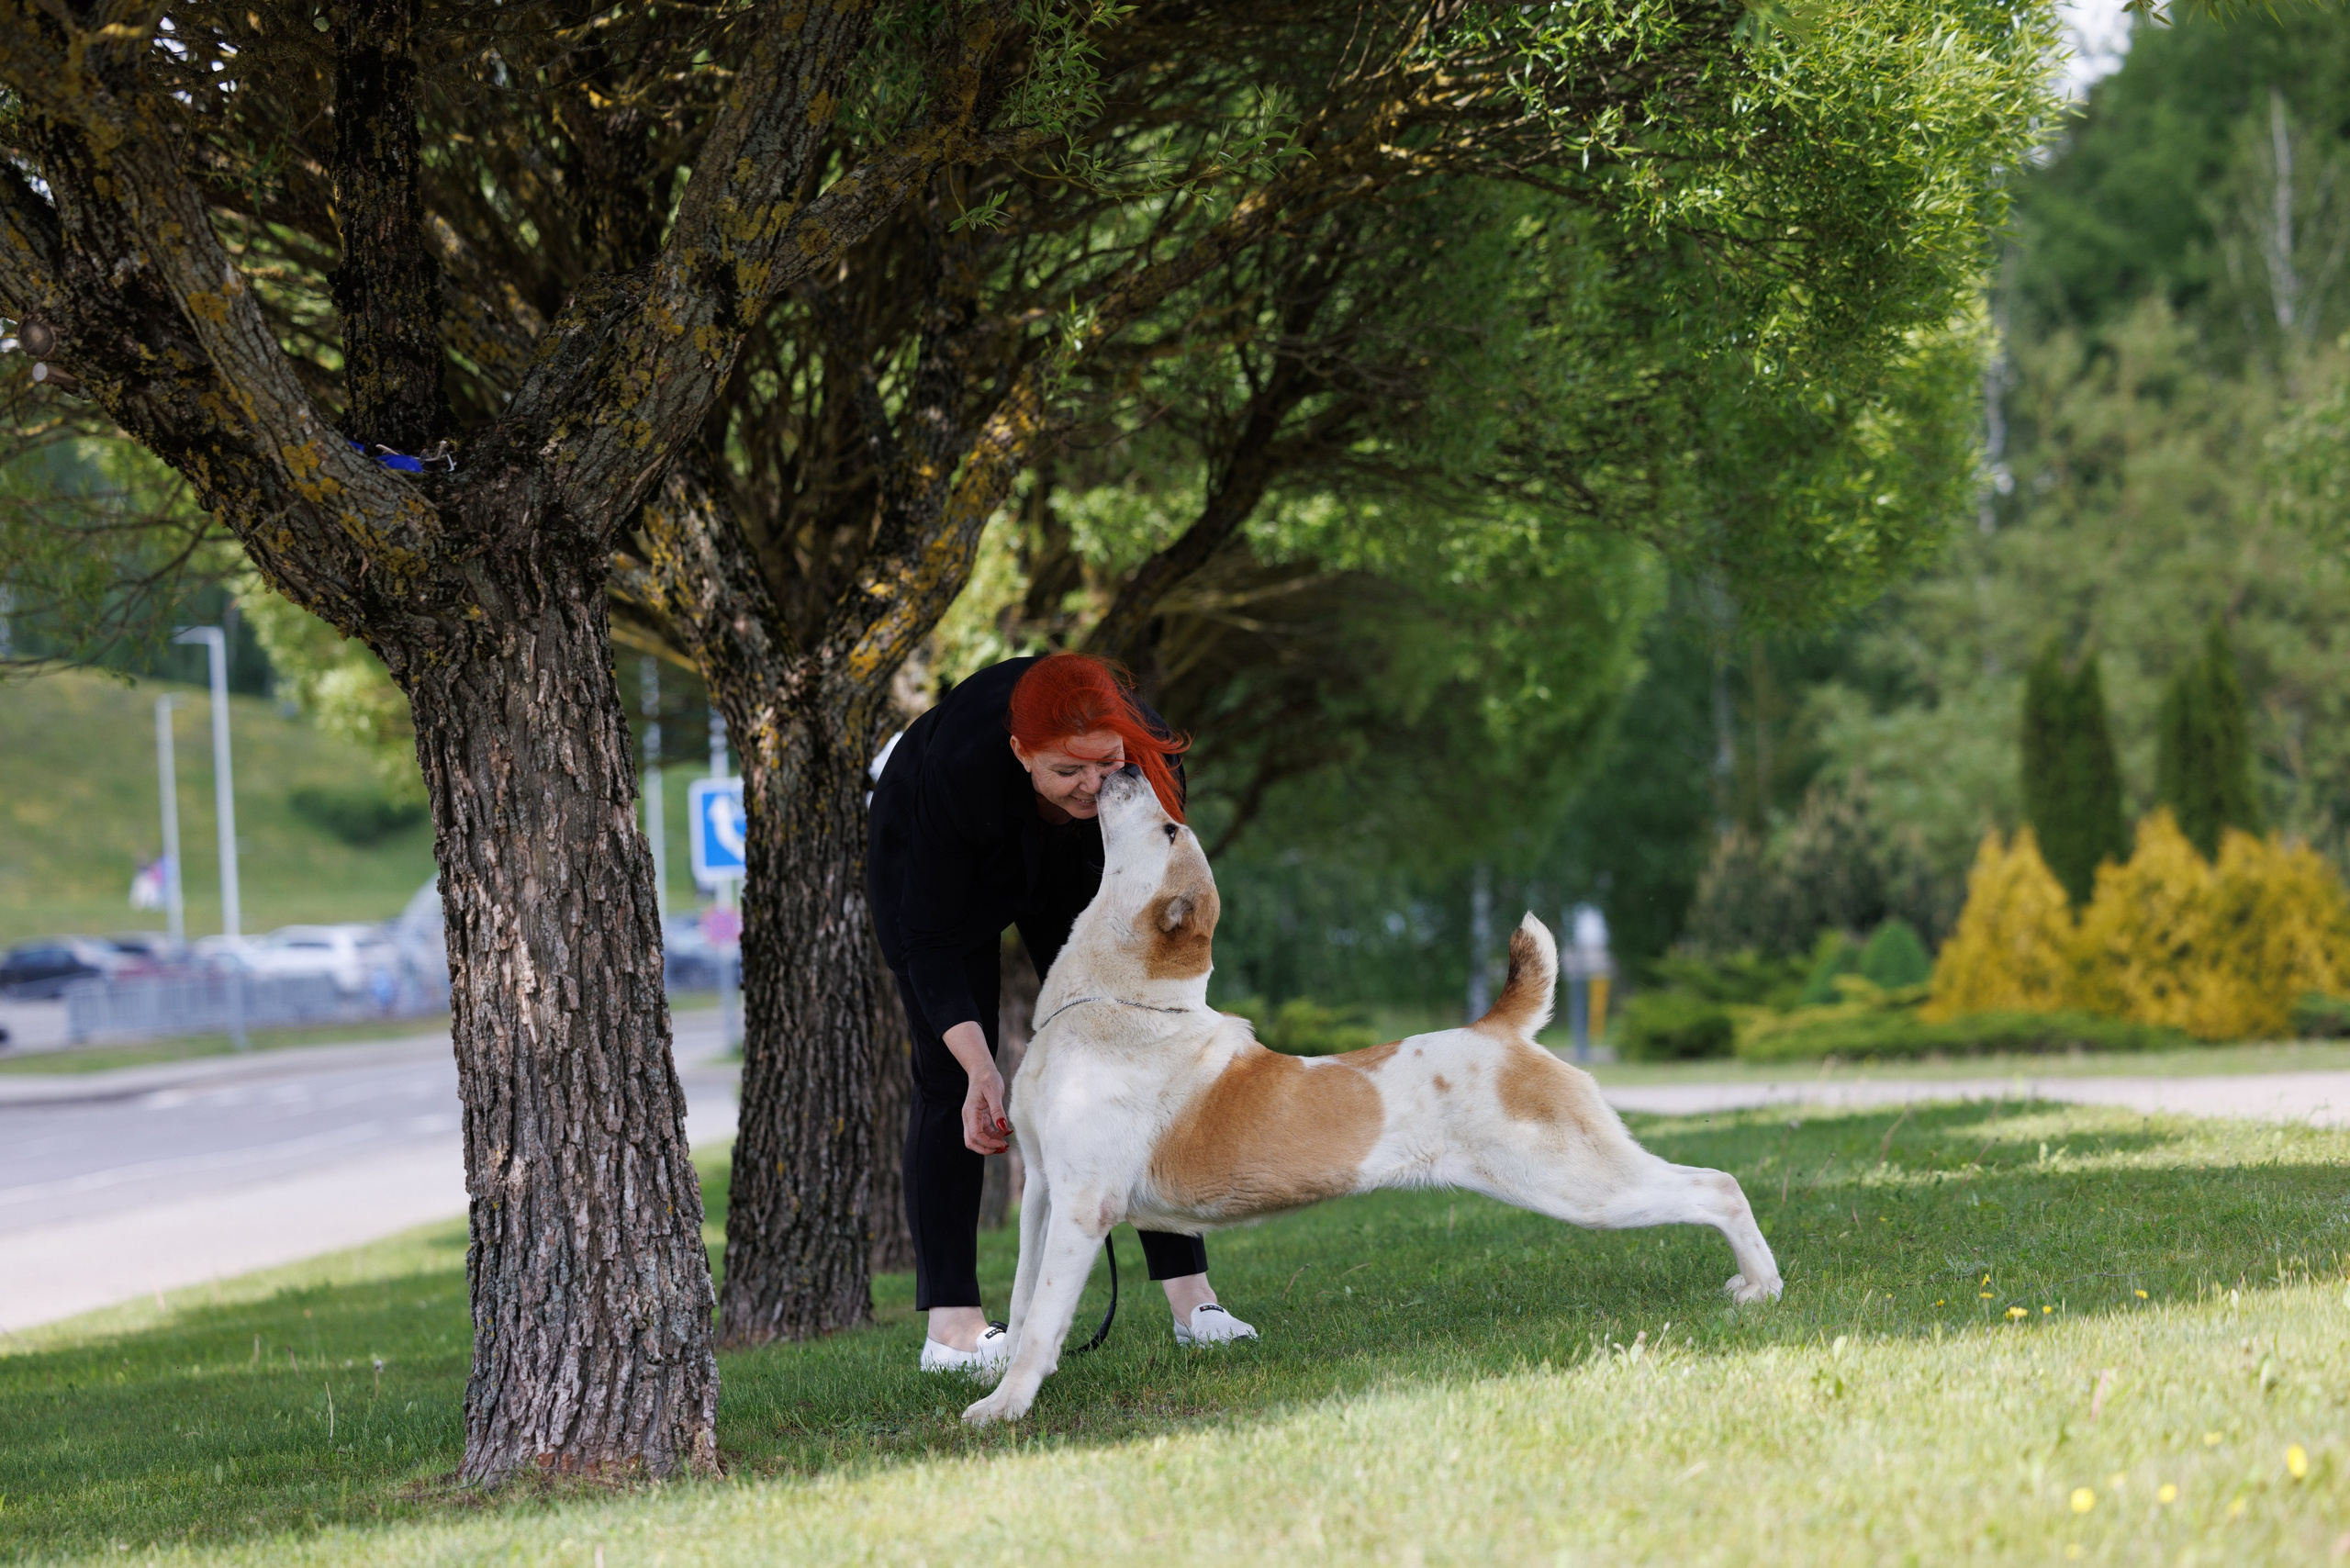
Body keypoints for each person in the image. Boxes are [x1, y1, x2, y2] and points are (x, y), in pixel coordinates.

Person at [867, 652, 1259, 1374]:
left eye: (1105, 763)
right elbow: (925, 942)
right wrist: (982, 1065)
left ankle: (1193, 1300)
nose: (1093, 784)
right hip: (943, 868)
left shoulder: (1144, 755)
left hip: (1076, 864)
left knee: (1133, 1056)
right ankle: (952, 1331)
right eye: (1068, 770)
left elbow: (1154, 881)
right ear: (1023, 752)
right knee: (951, 1082)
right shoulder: (957, 770)